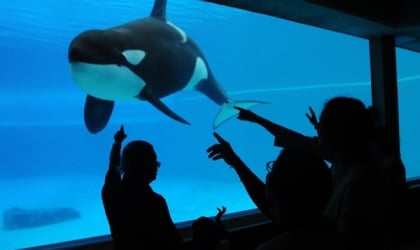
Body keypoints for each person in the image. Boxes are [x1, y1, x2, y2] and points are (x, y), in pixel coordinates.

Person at [206, 133, 333, 249]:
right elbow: (270, 205)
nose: (268, 175)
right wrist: (235, 161)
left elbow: (271, 205)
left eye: (273, 169)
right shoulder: (326, 229)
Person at [101, 125, 185, 250]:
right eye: (153, 160)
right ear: (141, 165)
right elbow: (173, 242)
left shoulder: (111, 191)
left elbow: (114, 165)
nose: (158, 164)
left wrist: (117, 143)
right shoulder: (154, 202)